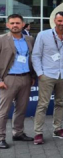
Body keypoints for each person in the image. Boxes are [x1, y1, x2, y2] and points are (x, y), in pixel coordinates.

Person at [32, 11, 63, 145]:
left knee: (60, 103)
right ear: (54, 21)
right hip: (47, 75)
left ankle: (57, 129)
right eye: (59, 21)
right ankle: (38, 132)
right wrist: (40, 73)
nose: (62, 23)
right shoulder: (43, 35)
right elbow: (36, 55)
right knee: (43, 105)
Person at [0, 14, 36, 148]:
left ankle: (18, 133)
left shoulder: (29, 39)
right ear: (7, 25)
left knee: (21, 108)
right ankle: (1, 137)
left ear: (22, 25)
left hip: (26, 78)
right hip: (8, 79)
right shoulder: (2, 39)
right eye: (12, 23)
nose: (15, 25)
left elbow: (31, 58)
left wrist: (32, 76)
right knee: (3, 111)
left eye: (17, 23)